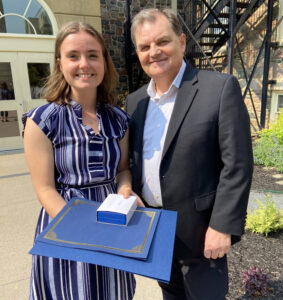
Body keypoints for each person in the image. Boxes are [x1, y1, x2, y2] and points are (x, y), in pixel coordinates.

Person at [126, 8, 253, 300]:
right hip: (155, 231)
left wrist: (223, 225)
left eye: (162, 42)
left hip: (201, 237)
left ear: (182, 42)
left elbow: (238, 164)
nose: (153, 52)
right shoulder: (135, 103)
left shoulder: (219, 89)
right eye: (145, 47)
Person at [23, 22, 138, 300]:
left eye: (93, 55)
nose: (84, 64)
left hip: (112, 223)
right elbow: (45, 190)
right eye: (73, 55)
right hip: (65, 223)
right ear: (59, 62)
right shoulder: (42, 120)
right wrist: (85, 230)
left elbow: (122, 170)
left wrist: (124, 192)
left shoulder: (118, 119)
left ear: (104, 61)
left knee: (113, 293)